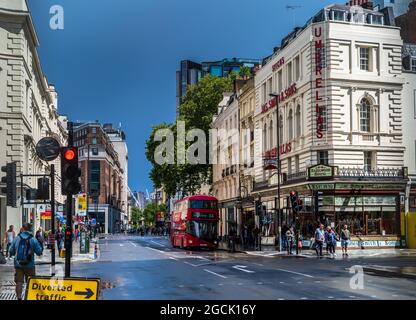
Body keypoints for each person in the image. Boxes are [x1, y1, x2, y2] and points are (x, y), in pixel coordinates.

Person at [9, 223, 43, 300]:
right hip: (30, 265)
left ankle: (19, 297)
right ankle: (30, 297)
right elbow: (39, 252)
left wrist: (13, 254)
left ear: (23, 228)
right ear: (30, 229)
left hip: (18, 264)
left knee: (19, 282)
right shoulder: (33, 239)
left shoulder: (17, 238)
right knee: (31, 282)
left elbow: (11, 250)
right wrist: (41, 244)